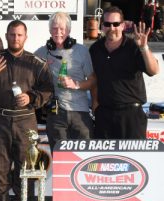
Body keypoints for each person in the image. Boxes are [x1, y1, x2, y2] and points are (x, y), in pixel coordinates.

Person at [0, 20, 53, 201]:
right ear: (7, 35)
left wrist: (32, 98)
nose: (15, 38)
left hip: (26, 121)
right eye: (12, 34)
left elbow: (48, 90)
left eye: (19, 35)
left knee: (26, 170)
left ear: (25, 37)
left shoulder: (36, 63)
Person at [89, 6, 159, 139]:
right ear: (102, 26)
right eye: (107, 24)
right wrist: (95, 106)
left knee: (133, 160)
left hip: (131, 116)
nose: (112, 28)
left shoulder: (134, 46)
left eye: (115, 24)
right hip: (104, 115)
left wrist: (143, 47)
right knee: (103, 159)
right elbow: (94, 79)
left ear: (122, 25)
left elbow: (154, 70)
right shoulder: (95, 49)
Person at [34, 12, 95, 150]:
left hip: (80, 112)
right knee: (61, 161)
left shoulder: (81, 51)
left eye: (62, 28)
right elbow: (22, 64)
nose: (58, 32)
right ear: (50, 30)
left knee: (83, 158)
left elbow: (92, 81)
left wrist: (76, 84)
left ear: (68, 30)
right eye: (55, 28)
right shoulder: (42, 53)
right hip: (56, 114)